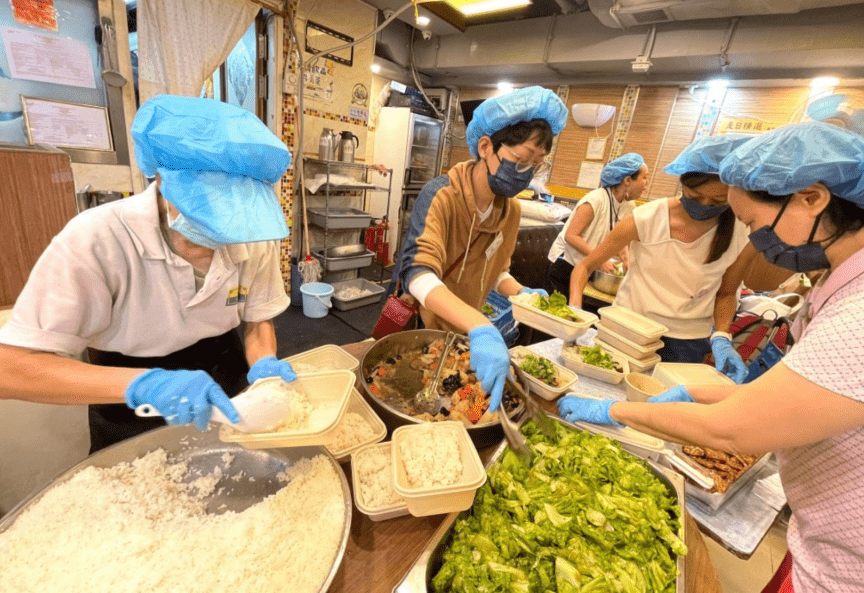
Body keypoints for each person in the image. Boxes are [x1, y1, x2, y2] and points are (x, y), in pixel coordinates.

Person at [557, 121, 864, 593]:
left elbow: (733, 429)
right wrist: (694, 391)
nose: (753, 236)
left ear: (811, 198)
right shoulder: (838, 281)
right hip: (821, 547)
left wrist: (613, 410)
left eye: (750, 222)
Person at [0, 95, 297, 452]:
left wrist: (263, 362)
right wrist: (143, 385)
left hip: (225, 372)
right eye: (206, 207)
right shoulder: (96, 239)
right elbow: (11, 369)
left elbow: (257, 320)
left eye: (235, 210)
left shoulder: (249, 234)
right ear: (160, 178)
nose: (222, 230)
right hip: (127, 392)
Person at [389, 85, 568, 413]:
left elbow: (498, 269)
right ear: (486, 146)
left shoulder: (510, 210)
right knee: (401, 395)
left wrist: (522, 294)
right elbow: (417, 272)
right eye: (520, 160)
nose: (526, 174)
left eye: (537, 165)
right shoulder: (441, 196)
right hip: (416, 322)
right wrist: (481, 325)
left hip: (462, 332)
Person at [568, 134, 755, 366]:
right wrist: (574, 311)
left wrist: (722, 336)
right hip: (628, 329)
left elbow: (726, 293)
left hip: (688, 342)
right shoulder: (646, 219)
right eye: (695, 197)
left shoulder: (742, 229)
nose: (705, 206)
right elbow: (584, 266)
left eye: (717, 201)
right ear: (683, 185)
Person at [546, 153, 648, 298]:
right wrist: (600, 259)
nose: (646, 184)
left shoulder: (628, 205)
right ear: (627, 180)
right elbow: (571, 236)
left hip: (586, 266)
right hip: (565, 263)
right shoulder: (596, 199)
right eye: (644, 178)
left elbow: (619, 237)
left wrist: (626, 259)